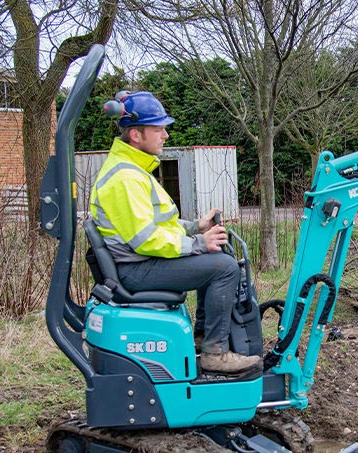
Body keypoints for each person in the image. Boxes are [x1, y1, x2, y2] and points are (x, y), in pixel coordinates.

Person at [89, 90, 261, 375]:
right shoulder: (126, 178)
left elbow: (156, 225)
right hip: (135, 268)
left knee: (215, 256)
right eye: (158, 129)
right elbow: (145, 239)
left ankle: (204, 337)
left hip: (136, 262)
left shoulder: (132, 170)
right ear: (135, 135)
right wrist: (197, 243)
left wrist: (196, 228)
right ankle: (214, 353)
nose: (165, 136)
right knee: (226, 268)